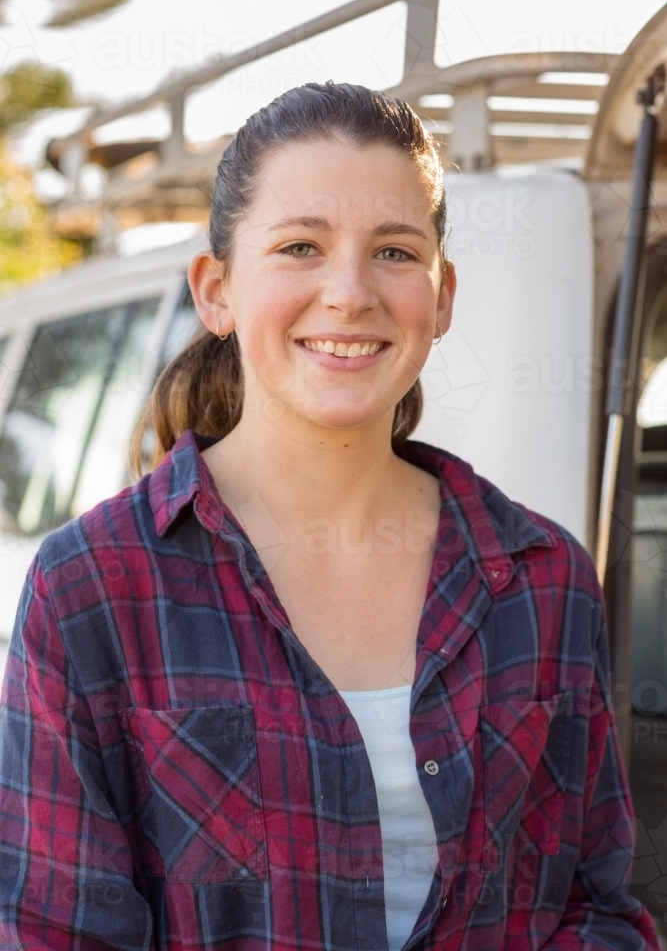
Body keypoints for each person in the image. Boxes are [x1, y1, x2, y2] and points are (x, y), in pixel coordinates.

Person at [0, 82, 659, 951]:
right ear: (216, 291)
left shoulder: (542, 576)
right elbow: (54, 935)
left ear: (442, 293)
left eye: (393, 251)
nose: (348, 292)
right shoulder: (92, 588)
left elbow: (597, 906)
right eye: (301, 246)